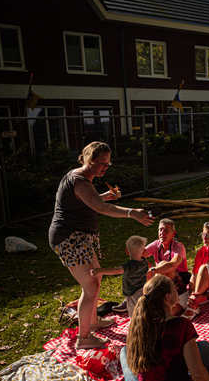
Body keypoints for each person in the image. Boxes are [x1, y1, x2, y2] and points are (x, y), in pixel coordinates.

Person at [48, 141, 153, 350]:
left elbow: (89, 201)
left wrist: (105, 196)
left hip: (79, 237)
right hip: (69, 238)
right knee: (91, 286)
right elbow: (100, 207)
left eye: (108, 162)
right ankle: (84, 337)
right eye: (101, 162)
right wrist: (133, 213)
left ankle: (93, 321)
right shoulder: (80, 181)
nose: (105, 166)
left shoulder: (82, 178)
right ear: (88, 160)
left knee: (97, 277)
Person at [120, 275, 209, 381]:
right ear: (168, 297)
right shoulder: (182, 326)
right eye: (175, 289)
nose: (178, 291)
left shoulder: (139, 326)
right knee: (205, 348)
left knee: (124, 352)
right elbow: (198, 374)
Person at [113, 217, 190, 314]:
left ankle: (146, 296)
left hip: (178, 284)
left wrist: (153, 270)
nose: (162, 233)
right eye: (160, 230)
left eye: (166, 230)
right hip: (160, 279)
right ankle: (131, 297)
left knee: (164, 265)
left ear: (173, 234)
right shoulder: (156, 245)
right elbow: (139, 255)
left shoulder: (178, 247)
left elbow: (173, 265)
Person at [89, 235, 149, 319]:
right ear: (144, 251)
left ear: (126, 251)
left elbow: (116, 271)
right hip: (142, 290)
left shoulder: (129, 265)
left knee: (134, 313)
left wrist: (100, 270)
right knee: (142, 309)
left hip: (132, 293)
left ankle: (135, 328)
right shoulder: (145, 262)